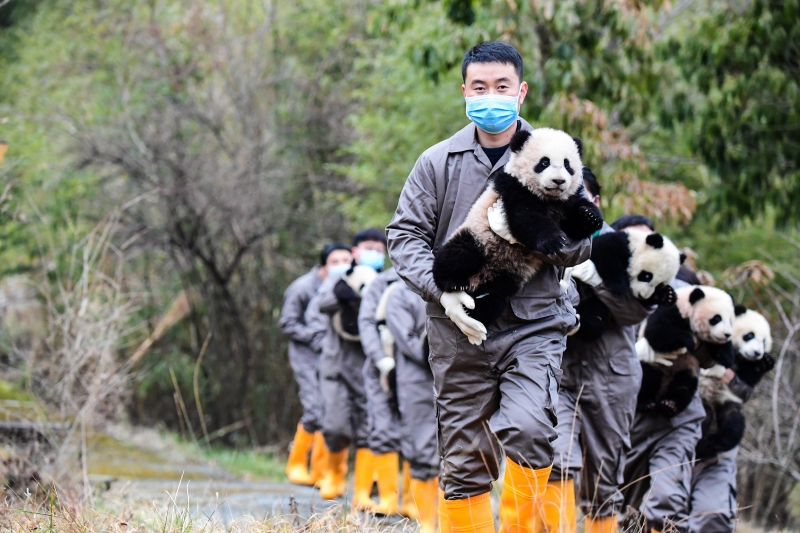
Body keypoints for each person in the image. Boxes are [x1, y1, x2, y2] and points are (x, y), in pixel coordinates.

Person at [386, 41, 591, 533]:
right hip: (458, 329)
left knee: (532, 427)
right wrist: (441, 289)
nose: (490, 96)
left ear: (520, 91)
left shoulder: (556, 154)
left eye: (502, 86)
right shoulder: (436, 162)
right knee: (463, 461)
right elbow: (403, 234)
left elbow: (584, 244)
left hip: (535, 321)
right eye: (480, 87)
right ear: (464, 91)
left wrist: (539, 233)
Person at [538, 169, 651, 533]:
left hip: (613, 377)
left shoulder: (628, 248)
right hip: (561, 372)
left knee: (603, 475)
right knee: (557, 461)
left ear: (597, 201)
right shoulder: (543, 239)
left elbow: (636, 309)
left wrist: (595, 278)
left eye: (582, 195)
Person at [306, 229, 388, 508]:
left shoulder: (384, 281)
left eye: (379, 250)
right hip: (336, 366)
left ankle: (362, 491)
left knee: (369, 430)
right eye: (368, 248)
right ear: (355, 251)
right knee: (335, 425)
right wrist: (346, 294)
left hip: (369, 367)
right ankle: (334, 475)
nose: (373, 254)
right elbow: (321, 305)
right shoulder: (339, 278)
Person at [280, 243, 352, 485]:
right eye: (334, 262)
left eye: (346, 260)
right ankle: (296, 464)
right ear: (323, 266)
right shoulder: (302, 288)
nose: (341, 266)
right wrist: (314, 338)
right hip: (305, 354)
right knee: (314, 408)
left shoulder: (346, 284)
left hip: (330, 355)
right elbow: (287, 323)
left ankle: (320, 471)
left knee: (329, 410)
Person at [385, 282, 439, 533]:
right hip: (415, 379)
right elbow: (405, 339)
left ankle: (440, 517)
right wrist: (433, 351)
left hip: (450, 378)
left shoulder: (452, 285)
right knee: (420, 446)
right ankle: (423, 518)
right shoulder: (399, 294)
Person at [358, 265, 404, 515]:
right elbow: (366, 322)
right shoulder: (382, 282)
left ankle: (414, 503)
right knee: (383, 429)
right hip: (382, 369)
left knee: (421, 436)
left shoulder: (435, 276)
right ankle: (388, 500)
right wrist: (380, 358)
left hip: (418, 371)